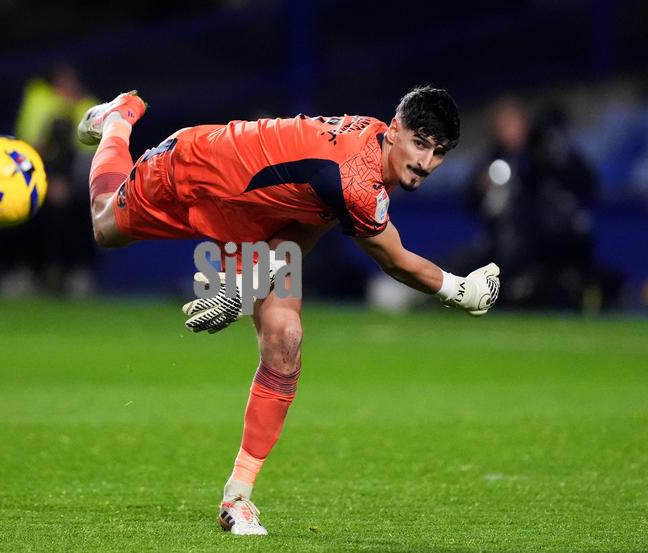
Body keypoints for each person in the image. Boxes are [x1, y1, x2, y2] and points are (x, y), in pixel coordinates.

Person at [77, 86, 501, 535]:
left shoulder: (370, 157)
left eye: (439, 152)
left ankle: (237, 497)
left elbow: (309, 217)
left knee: (285, 340)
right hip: (193, 170)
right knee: (107, 226)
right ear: (395, 131)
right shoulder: (357, 178)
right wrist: (461, 290)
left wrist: (251, 284)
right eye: (421, 144)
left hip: (262, 222)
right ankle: (119, 119)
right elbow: (394, 260)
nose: (427, 162)